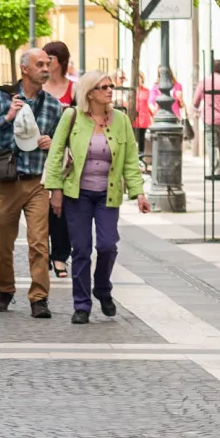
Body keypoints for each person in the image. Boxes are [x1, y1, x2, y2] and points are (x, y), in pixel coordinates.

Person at [44, 71, 151, 324]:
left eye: (110, 86)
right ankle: (81, 305)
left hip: (107, 193)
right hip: (76, 194)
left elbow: (129, 160)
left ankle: (102, 288)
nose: (109, 90)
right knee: (81, 249)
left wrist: (139, 193)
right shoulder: (72, 117)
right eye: (103, 87)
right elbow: (56, 154)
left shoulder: (121, 120)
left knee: (106, 245)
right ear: (89, 92)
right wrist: (55, 190)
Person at [0, 48, 61, 318]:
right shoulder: (2, 98)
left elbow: (62, 145)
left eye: (47, 64)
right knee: (2, 242)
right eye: (40, 64)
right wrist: (7, 118)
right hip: (7, 180)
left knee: (39, 242)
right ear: (25, 69)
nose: (46, 69)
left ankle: (39, 297)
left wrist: (52, 142)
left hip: (37, 182)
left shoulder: (53, 105)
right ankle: (5, 289)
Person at [41, 41, 74, 280]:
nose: (45, 64)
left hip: (66, 159)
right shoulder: (38, 89)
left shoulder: (74, 89)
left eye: (49, 59)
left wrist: (60, 144)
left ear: (60, 61)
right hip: (39, 155)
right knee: (40, 211)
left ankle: (60, 256)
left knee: (61, 208)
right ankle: (43, 255)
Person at [192, 61, 220, 175]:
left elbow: (196, 101)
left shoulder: (205, 81)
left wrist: (196, 107)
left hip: (209, 117)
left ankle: (212, 168)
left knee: (210, 143)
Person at [133, 72, 152, 157]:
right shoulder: (132, 91)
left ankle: (141, 157)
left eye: (140, 78)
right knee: (133, 139)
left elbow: (149, 104)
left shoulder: (147, 91)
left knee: (141, 139)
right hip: (134, 119)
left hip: (144, 119)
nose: (138, 80)